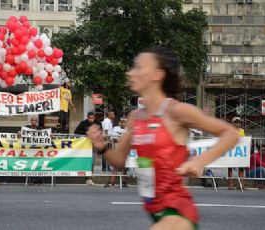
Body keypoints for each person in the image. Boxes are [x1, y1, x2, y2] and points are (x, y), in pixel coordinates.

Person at [87, 47, 239, 230]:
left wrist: (200, 161)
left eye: (138, 67)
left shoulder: (176, 111)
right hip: (154, 212)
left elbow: (230, 133)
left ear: (157, 75)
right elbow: (119, 161)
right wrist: (101, 146)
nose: (130, 72)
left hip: (177, 212)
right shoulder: (136, 117)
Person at [74, 112, 101, 186]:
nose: (91, 120)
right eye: (90, 118)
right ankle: (85, 176)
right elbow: (76, 131)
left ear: (94, 118)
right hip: (84, 146)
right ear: (87, 117)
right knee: (85, 161)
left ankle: (89, 178)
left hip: (93, 145)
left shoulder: (98, 123)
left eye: (93, 118)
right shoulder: (83, 123)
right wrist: (87, 133)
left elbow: (100, 131)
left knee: (92, 162)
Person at [105, 117, 128, 188]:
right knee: (115, 166)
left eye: (124, 122)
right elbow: (113, 138)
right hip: (116, 149)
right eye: (121, 121)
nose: (122, 123)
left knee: (124, 166)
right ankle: (112, 181)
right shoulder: (115, 128)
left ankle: (124, 181)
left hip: (125, 150)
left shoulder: (128, 129)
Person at [227, 116, 246, 190]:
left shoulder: (242, 130)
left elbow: (244, 140)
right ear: (232, 123)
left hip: (240, 151)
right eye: (235, 122)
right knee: (230, 168)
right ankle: (230, 184)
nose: (237, 123)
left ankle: (241, 184)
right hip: (231, 150)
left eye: (238, 122)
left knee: (241, 168)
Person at [25, 116, 45, 185]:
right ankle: (31, 181)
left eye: (35, 120)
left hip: (38, 149)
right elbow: (21, 132)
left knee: (39, 164)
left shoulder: (40, 128)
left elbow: (45, 135)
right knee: (31, 165)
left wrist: (49, 135)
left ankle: (39, 181)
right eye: (32, 120)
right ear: (30, 121)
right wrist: (19, 132)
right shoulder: (27, 127)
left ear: (36, 122)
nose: (34, 121)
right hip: (30, 150)